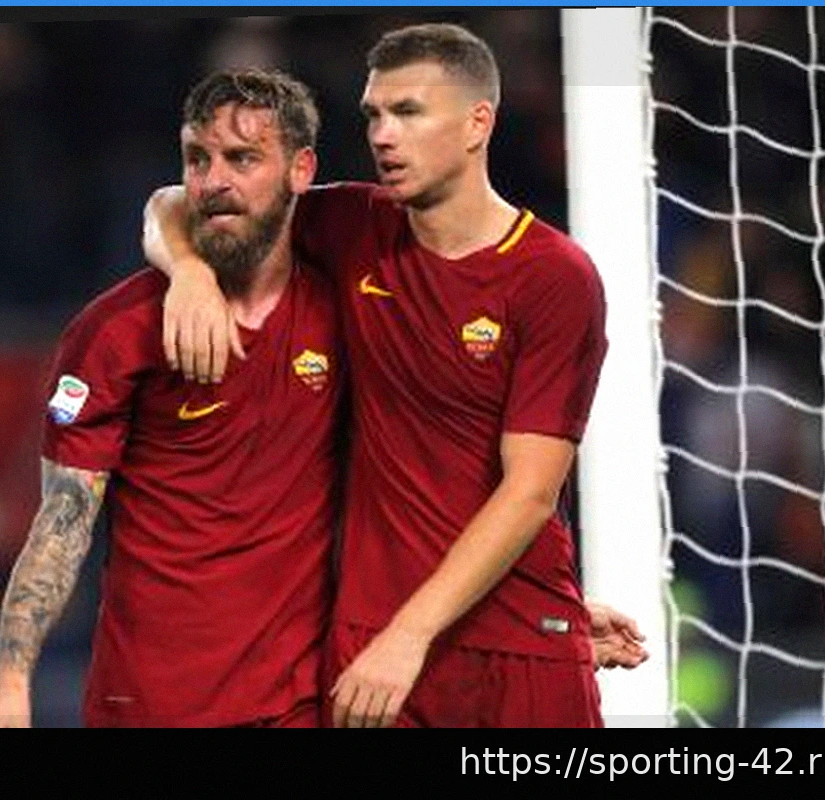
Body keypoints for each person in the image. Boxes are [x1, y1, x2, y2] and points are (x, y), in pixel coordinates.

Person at [145, 24, 646, 728]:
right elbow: (177, 201)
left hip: (506, 644)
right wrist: (190, 273)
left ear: (477, 124)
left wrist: (418, 634)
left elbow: (530, 493)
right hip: (373, 645)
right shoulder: (355, 225)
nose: (383, 135)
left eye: (408, 112)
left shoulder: (552, 276)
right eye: (374, 115)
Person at [0, 70, 342, 727]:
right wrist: (10, 683)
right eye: (198, 159)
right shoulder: (115, 331)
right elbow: (62, 521)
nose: (214, 181)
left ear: (301, 169)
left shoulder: (348, 311)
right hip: (147, 707)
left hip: (298, 707)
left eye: (242, 158)